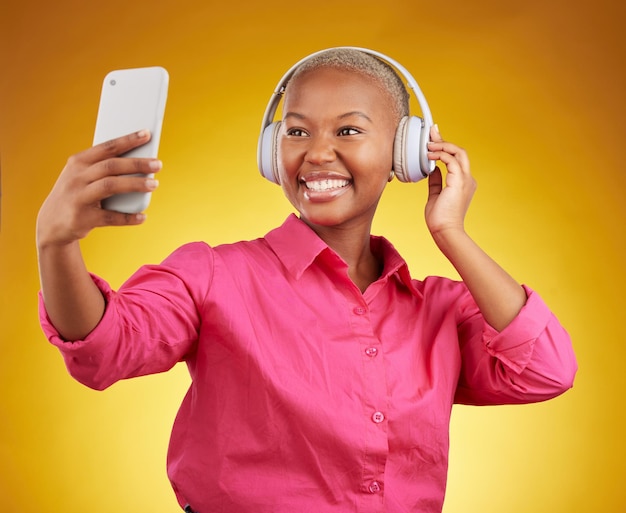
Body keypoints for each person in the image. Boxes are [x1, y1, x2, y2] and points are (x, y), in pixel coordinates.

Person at [37, 48, 577, 513]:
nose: (317, 152)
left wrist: (452, 232)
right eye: (297, 131)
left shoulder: (441, 307)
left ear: (407, 152)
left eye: (348, 130)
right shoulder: (211, 274)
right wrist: (56, 245)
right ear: (273, 151)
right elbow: (104, 349)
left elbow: (546, 372)